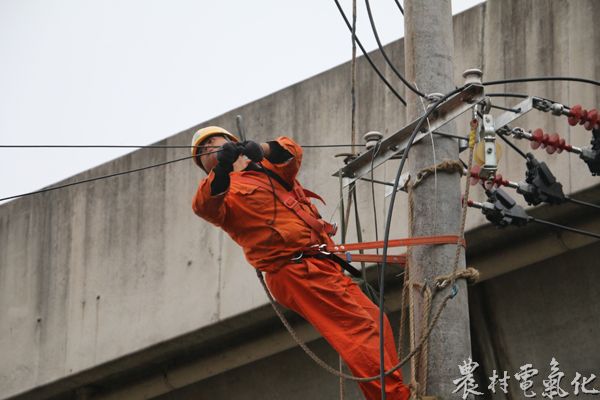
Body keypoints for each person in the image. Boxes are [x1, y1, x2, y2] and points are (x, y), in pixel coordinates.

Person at [191, 126, 410, 400]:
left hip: (320, 263)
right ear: (204, 165)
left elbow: (291, 153)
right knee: (359, 329)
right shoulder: (221, 193)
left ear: (232, 143)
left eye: (213, 141)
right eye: (203, 151)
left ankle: (390, 396)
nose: (209, 147)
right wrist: (222, 167)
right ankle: (398, 397)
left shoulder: (267, 170)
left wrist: (262, 148)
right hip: (294, 269)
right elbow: (204, 204)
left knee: (375, 322)